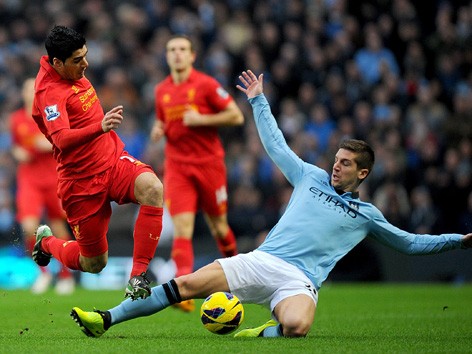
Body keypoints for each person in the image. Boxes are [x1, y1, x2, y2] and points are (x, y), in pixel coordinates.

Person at [70, 70, 472, 338]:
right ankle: (106, 319)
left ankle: (260, 332)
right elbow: (277, 146)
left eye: (345, 164)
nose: (335, 167)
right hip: (262, 260)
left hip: (299, 281)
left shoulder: (367, 216)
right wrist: (258, 101)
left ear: (362, 173)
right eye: (336, 159)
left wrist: (459, 241)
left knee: (297, 328)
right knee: (187, 284)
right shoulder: (311, 176)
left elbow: (411, 243)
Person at [31, 25, 164, 300]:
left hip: (112, 160)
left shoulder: (71, 71)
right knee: (94, 263)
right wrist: (100, 127)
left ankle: (137, 277)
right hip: (80, 182)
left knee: (152, 188)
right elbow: (61, 139)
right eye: (78, 60)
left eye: (85, 56)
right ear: (58, 63)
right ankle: (46, 242)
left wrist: (102, 132)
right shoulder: (49, 93)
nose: (86, 64)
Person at [149, 35, 244, 311]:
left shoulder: (206, 85)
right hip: (177, 167)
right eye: (171, 49)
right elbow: (162, 119)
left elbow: (236, 116)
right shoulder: (161, 91)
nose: (176, 54)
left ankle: (237, 279)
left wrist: (202, 119)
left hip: (208, 164)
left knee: (220, 227)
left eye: (182, 49)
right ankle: (184, 291)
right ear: (167, 56)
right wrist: (159, 128)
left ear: (192, 56)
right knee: (182, 229)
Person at [10, 78, 75, 295]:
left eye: (34, 88)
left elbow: (63, 139)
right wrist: (18, 152)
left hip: (54, 178)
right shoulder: (16, 119)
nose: (31, 91)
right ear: (23, 92)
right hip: (29, 179)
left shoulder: (50, 114)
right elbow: (16, 146)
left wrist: (47, 144)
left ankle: (65, 275)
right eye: (27, 88)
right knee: (29, 227)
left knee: (58, 226)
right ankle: (43, 273)